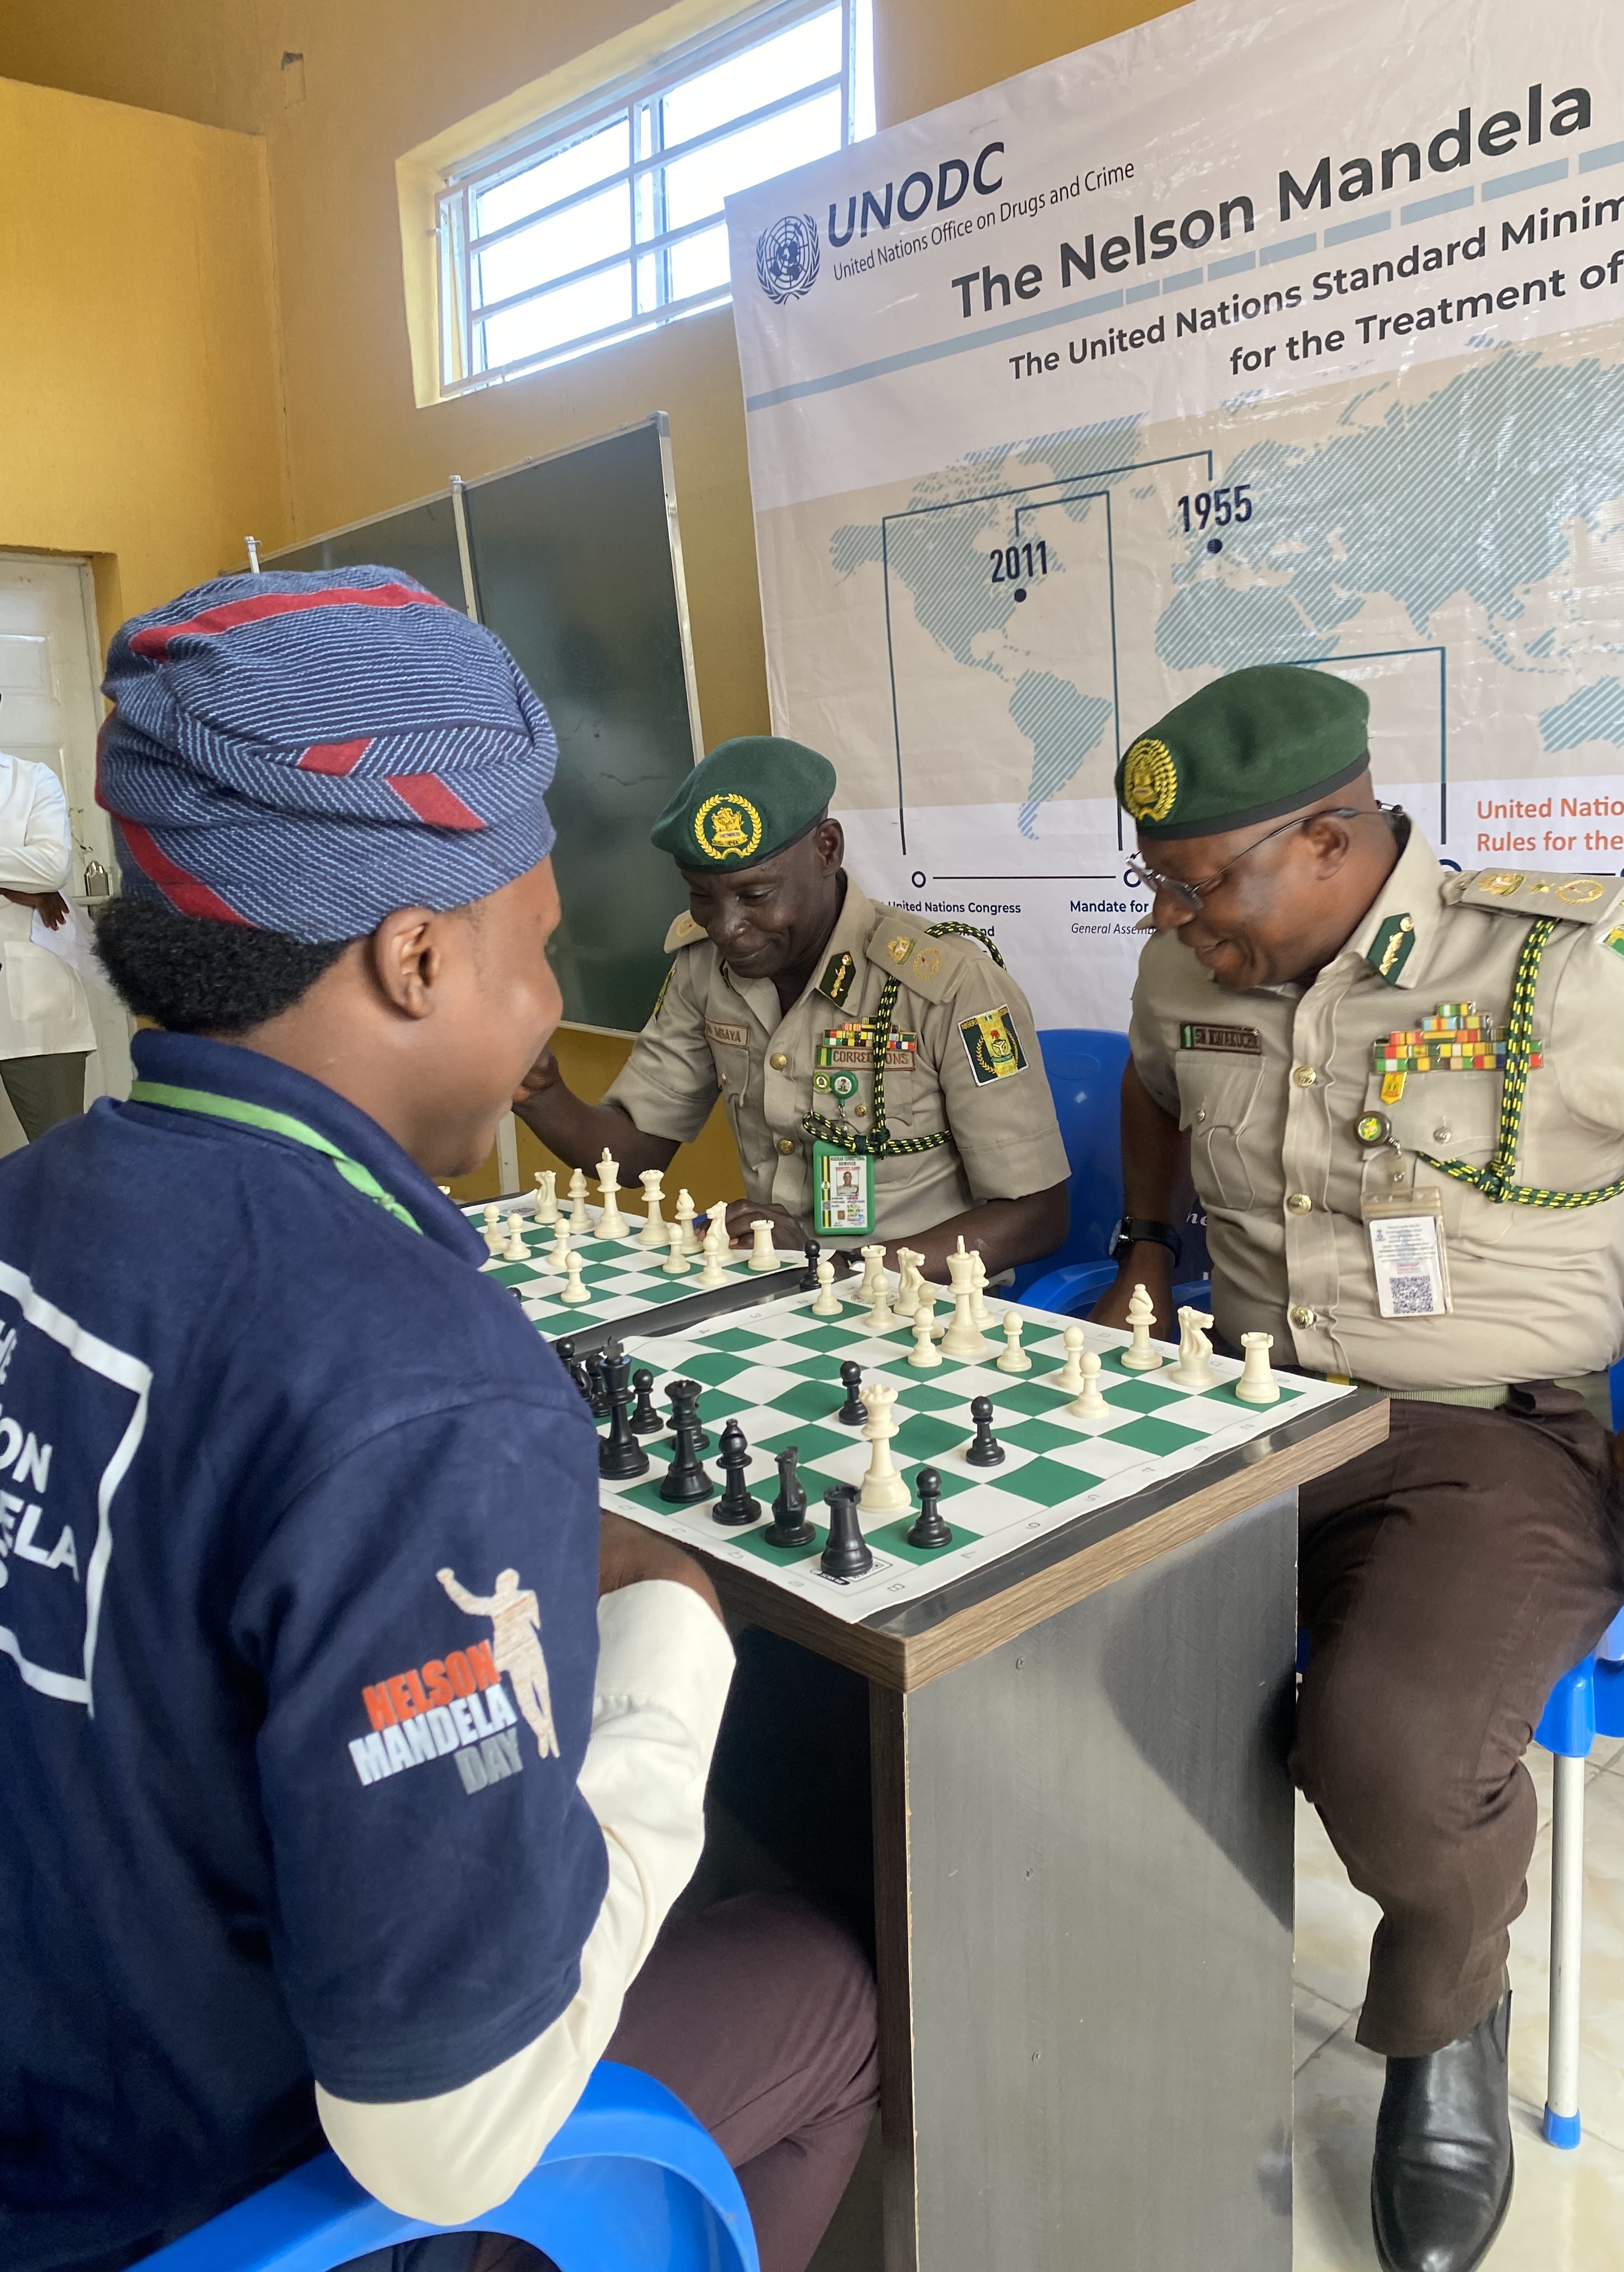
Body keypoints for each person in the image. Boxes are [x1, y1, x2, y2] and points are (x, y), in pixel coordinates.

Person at [0, 569, 876, 2272]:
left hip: (54, 2096)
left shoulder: (32, 1203)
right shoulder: (423, 1383)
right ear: (416, 955)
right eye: (539, 953)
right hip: (231, 2205)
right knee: (829, 1993)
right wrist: (677, 1639)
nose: (550, 1005)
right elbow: (445, 2136)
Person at [1093, 664, 1624, 2272]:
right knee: (994, 1622)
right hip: (1241, 1406)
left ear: (1332, 836)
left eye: (1205, 886)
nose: (1180, 923)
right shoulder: (1183, 967)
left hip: (1485, 1433)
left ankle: (1444, 2009)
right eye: (1162, 891)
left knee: (1386, 1756)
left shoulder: (1567, 964)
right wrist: (1139, 1241)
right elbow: (1151, 1090)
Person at [514, 736, 1070, 1281]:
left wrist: (831, 1267)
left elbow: (1034, 1218)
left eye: (755, 896)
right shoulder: (704, 967)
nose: (726, 928)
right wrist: (537, 1092)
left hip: (918, 1309)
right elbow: (633, 1156)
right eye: (701, 896)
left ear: (826, 849)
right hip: (782, 1293)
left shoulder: (949, 987)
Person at [0, 702, 96, 1139]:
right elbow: (30, 871)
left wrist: (30, 879)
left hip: (34, 1003)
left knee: (61, 1164)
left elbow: (49, 869)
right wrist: (9, 884)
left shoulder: (32, 780)